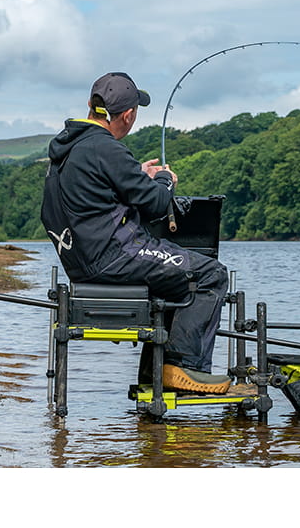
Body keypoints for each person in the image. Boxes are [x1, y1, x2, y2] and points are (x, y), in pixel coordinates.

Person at [40, 71, 231, 394]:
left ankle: (152, 373)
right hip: (113, 255)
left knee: (175, 279)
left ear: (91, 104)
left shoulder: (69, 147)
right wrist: (165, 180)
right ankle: (184, 367)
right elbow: (157, 203)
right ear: (128, 115)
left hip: (80, 259)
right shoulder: (105, 148)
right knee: (210, 275)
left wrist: (137, 175)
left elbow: (89, 194)